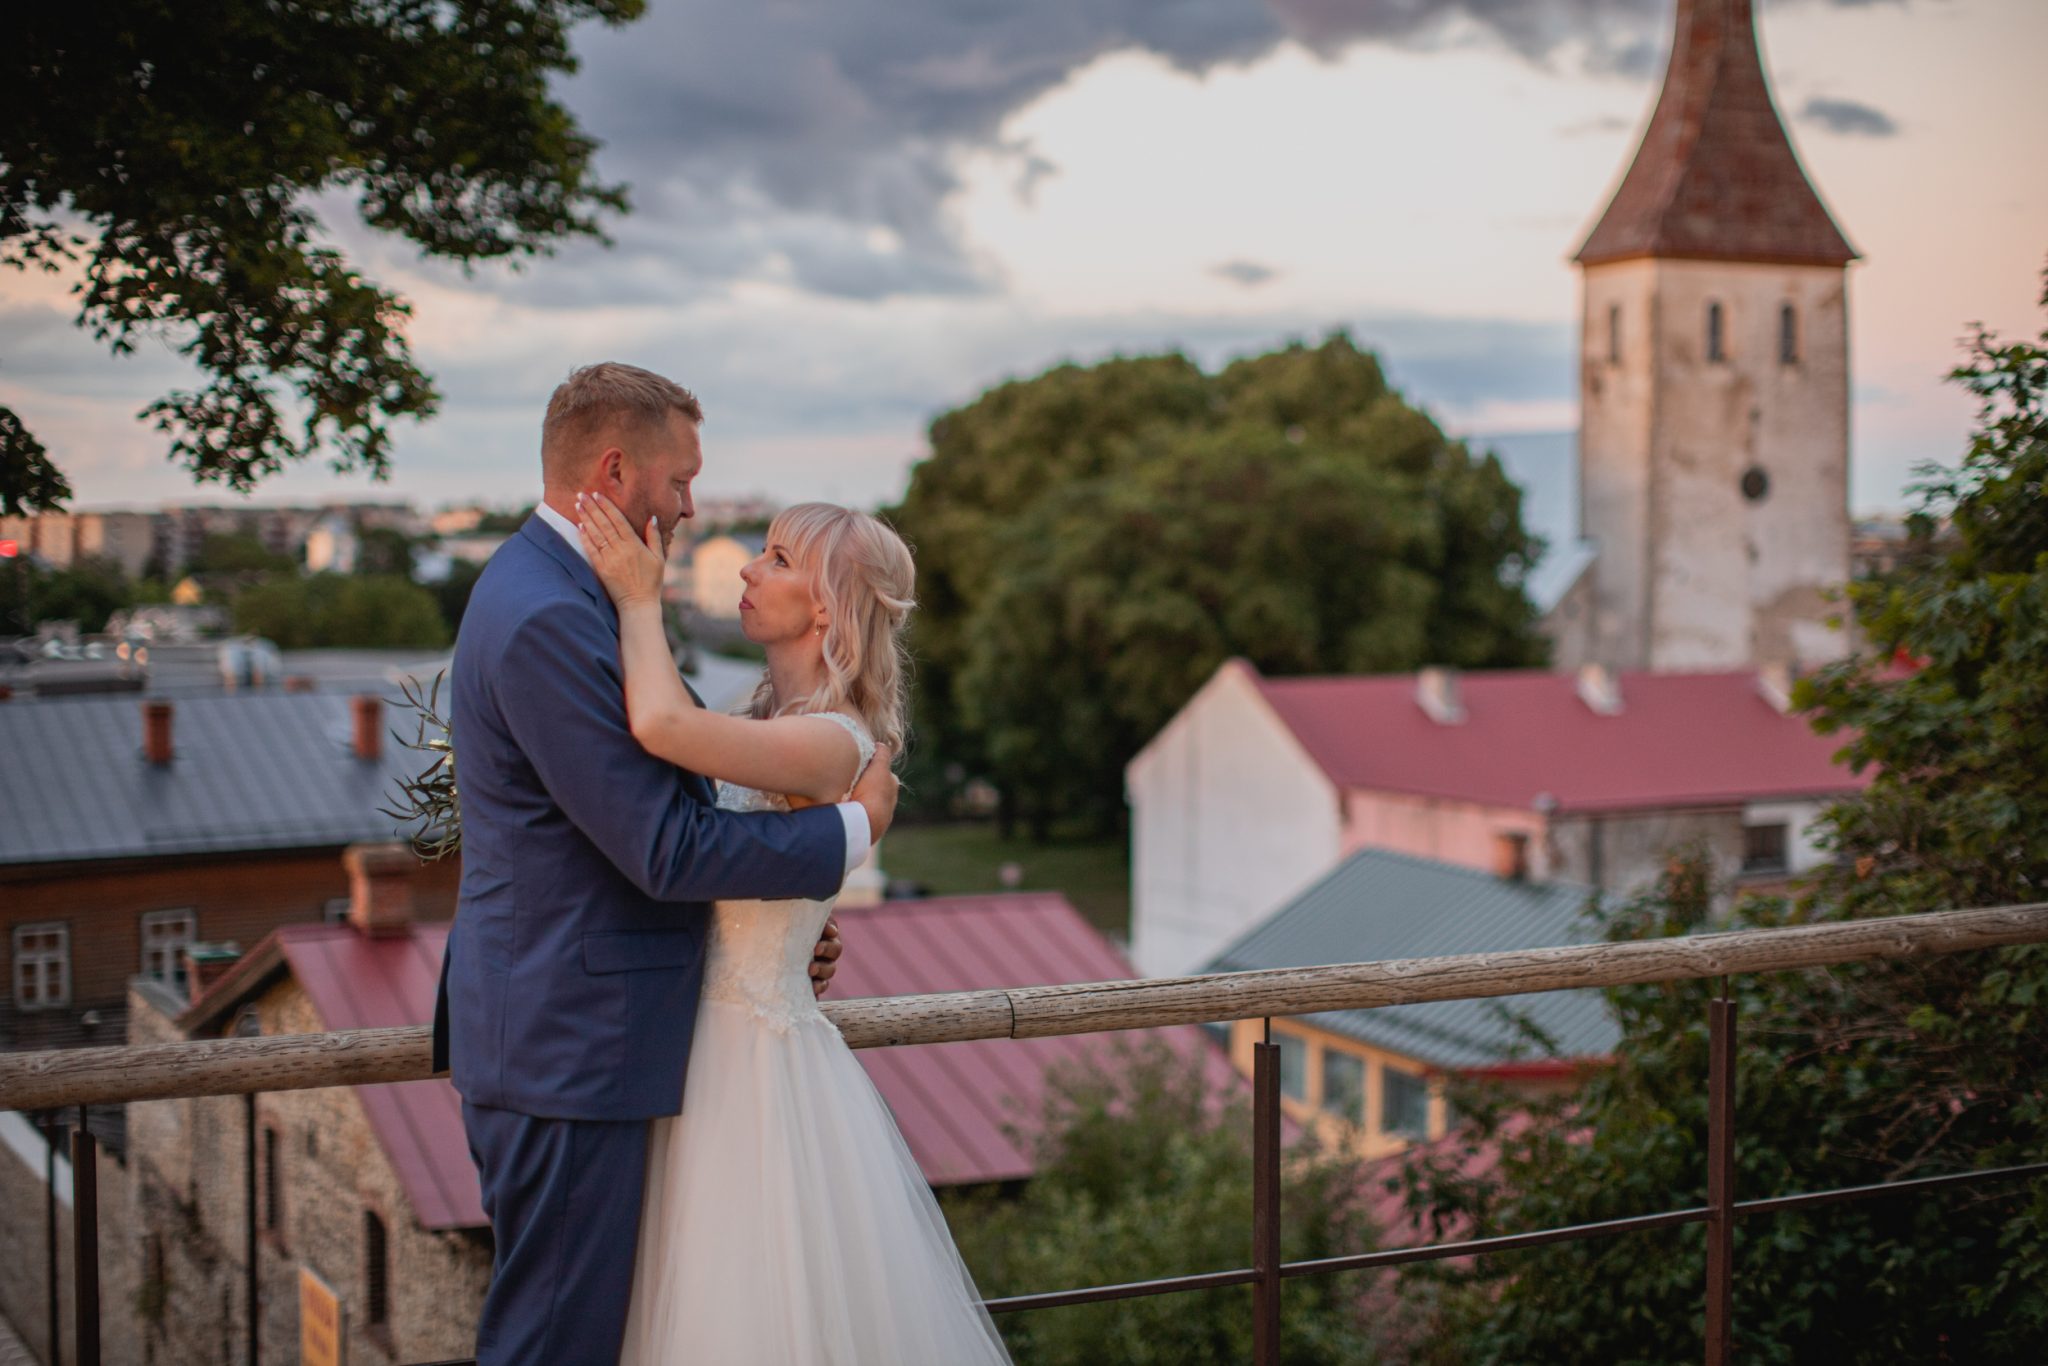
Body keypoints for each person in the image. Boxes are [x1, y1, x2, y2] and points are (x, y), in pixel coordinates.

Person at [432, 362, 900, 1366]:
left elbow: (677, 790)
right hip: (571, 1045)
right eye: (681, 480)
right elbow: (664, 845)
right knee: (556, 1342)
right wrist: (848, 841)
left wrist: (787, 930)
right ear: (613, 470)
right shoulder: (560, 613)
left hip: (641, 1045)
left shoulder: (563, 589)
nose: (695, 509)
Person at [575, 489, 1011, 1364]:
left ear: (825, 605)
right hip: (694, 1045)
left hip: (752, 1071)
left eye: (776, 558)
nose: (746, 567)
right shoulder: (761, 718)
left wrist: (636, 595)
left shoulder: (835, 741)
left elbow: (658, 725)